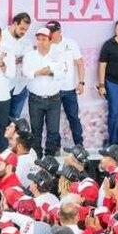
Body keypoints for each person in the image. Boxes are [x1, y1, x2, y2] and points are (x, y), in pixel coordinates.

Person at [23, 27, 65, 157]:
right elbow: (25, 72)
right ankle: (37, 157)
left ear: (50, 40)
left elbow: (63, 73)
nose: (41, 42)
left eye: (44, 39)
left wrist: (51, 72)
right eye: (39, 39)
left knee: (53, 130)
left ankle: (50, 157)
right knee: (36, 130)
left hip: (54, 99)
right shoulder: (30, 56)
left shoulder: (58, 55)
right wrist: (38, 73)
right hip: (35, 99)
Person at [48, 20, 85, 150]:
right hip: (53, 89)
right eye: (49, 31)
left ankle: (79, 145)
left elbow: (80, 63)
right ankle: (56, 146)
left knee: (73, 117)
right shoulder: (46, 44)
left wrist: (81, 82)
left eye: (54, 31)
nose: (51, 34)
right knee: (53, 120)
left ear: (60, 31)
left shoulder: (71, 43)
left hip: (69, 88)